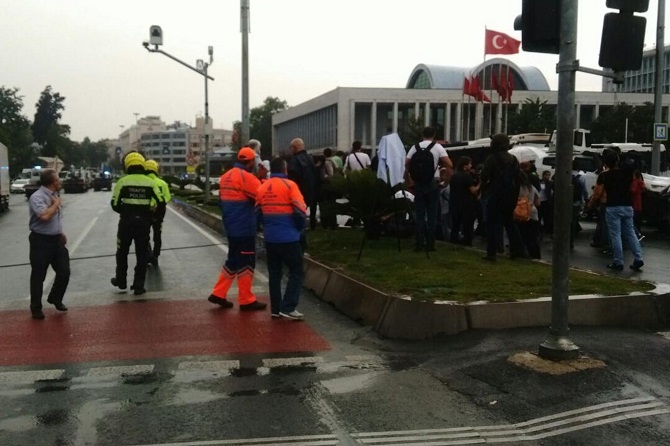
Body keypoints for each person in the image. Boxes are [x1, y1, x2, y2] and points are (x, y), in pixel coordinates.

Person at [207, 147, 267, 310]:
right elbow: (262, 196)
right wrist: (261, 178)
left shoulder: (226, 176)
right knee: (246, 262)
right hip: (245, 227)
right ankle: (246, 299)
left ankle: (218, 293)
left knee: (233, 260)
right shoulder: (247, 177)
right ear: (249, 162)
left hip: (231, 226)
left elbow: (221, 201)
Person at [256, 157, 308, 320]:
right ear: (285, 169)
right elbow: (300, 211)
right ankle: (289, 306)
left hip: (270, 238)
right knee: (297, 270)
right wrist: (300, 229)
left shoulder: (263, 187)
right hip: (289, 237)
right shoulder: (290, 185)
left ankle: (276, 309)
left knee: (274, 273)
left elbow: (257, 214)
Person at [111, 152, 164, 295]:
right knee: (141, 255)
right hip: (143, 224)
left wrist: (126, 211)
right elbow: (161, 202)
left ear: (127, 164)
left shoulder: (122, 182)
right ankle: (138, 285)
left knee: (122, 252)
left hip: (126, 224)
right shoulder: (150, 182)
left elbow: (114, 204)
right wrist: (152, 216)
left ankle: (121, 281)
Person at [28, 169, 70, 319]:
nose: (60, 182)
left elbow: (55, 219)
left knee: (64, 271)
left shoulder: (54, 195)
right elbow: (44, 216)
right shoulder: (37, 197)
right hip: (41, 241)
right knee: (39, 276)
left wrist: (60, 232)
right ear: (53, 182)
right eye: (58, 180)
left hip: (56, 240)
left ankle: (55, 297)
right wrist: (56, 204)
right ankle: (36, 308)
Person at [405, 126, 453, 251]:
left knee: (419, 215)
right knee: (432, 215)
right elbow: (449, 165)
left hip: (418, 184)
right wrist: (445, 182)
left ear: (422, 134)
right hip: (433, 184)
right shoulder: (437, 147)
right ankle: (431, 244)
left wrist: (409, 180)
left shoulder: (414, 148)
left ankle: (419, 243)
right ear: (434, 134)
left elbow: (405, 164)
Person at [480, 133, 524, 261]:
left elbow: (484, 177)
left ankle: (491, 253)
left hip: (495, 195)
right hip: (510, 196)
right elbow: (517, 179)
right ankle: (517, 250)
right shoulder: (514, 159)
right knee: (510, 224)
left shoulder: (492, 158)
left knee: (492, 225)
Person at [601, 152, 644, 271]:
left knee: (616, 235)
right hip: (627, 205)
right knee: (630, 233)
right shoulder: (626, 173)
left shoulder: (606, 176)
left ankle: (618, 261)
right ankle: (638, 258)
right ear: (617, 161)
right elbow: (632, 164)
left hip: (613, 206)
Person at [144, 159, 171, 267]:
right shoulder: (162, 183)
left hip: (146, 212)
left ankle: (147, 253)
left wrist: (150, 205)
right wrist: (157, 205)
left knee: (144, 234)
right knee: (157, 234)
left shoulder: (144, 182)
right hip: (159, 212)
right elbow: (167, 198)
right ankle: (155, 255)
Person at [287, 138, 318, 231]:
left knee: (297, 214)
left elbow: (293, 177)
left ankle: (300, 230)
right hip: (311, 190)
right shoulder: (310, 158)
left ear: (294, 147)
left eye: (290, 148)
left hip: (299, 191)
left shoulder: (295, 160)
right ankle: (312, 225)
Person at [449, 156, 479, 246]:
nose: (471, 166)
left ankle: (453, 241)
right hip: (466, 204)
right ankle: (467, 242)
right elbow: (473, 190)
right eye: (469, 164)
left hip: (454, 203)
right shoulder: (467, 176)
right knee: (467, 225)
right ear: (464, 166)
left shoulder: (453, 175)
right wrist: (480, 184)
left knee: (455, 225)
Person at [516, 170, 542, 259]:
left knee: (521, 236)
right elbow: (538, 203)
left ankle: (521, 254)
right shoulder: (532, 188)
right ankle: (536, 256)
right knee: (533, 238)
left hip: (519, 214)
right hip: (532, 213)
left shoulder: (516, 188)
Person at [570, 159, 588, 249]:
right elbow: (584, 189)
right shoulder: (582, 176)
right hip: (576, 202)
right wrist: (585, 198)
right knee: (573, 220)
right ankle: (571, 240)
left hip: (566, 201)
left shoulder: (565, 174)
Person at [630, 169, 645, 241]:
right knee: (638, 222)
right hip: (639, 205)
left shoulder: (635, 182)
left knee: (632, 222)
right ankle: (638, 233)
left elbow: (633, 191)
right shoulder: (641, 183)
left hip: (634, 204)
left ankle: (637, 234)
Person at [538, 170, 554, 235]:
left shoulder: (550, 183)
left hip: (546, 202)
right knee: (539, 217)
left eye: (548, 175)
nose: (547, 176)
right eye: (546, 175)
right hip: (539, 201)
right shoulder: (539, 182)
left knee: (546, 217)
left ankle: (547, 230)